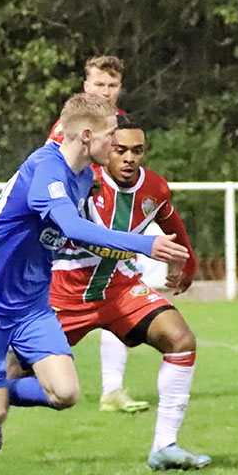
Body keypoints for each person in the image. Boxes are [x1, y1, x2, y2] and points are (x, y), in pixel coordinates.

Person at [0, 93, 189, 475]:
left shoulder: (81, 176)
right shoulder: (46, 171)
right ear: (88, 136)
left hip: (31, 303)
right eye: (111, 135)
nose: (116, 144)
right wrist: (145, 244)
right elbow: (71, 228)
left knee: (65, 394)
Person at [49, 115, 209, 471]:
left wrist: (186, 263)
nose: (129, 158)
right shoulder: (81, 179)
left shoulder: (154, 188)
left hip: (121, 289)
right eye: (120, 150)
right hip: (66, 294)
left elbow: (171, 222)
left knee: (181, 340)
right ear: (105, 148)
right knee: (15, 371)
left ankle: (165, 446)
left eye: (137, 151)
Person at [46, 54, 150, 414]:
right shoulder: (68, 126)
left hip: (111, 222)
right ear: (86, 86)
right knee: (63, 312)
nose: (106, 91)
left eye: (112, 85)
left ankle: (112, 389)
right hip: (76, 232)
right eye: (99, 84)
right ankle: (4, 377)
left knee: (115, 300)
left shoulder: (121, 123)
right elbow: (54, 165)